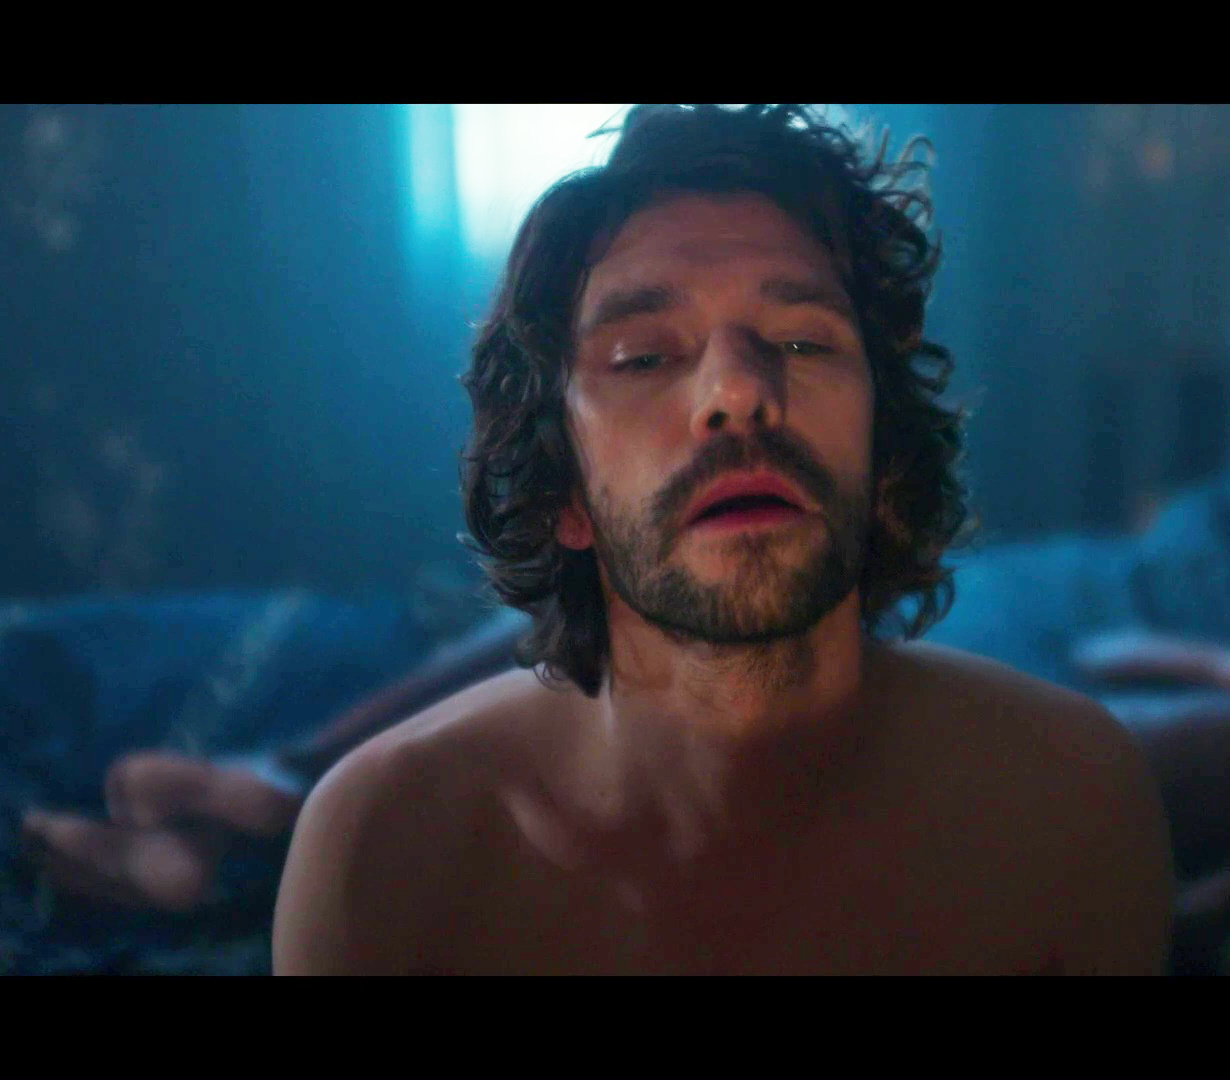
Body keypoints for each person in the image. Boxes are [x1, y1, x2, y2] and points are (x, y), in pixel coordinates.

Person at [259, 104, 1173, 974]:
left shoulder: (1069, 807)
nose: (739, 393)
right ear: (562, 490)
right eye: (644, 358)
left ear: (881, 447)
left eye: (804, 343)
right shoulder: (389, 854)